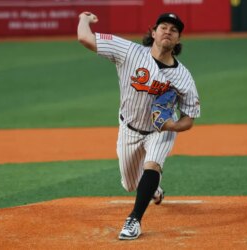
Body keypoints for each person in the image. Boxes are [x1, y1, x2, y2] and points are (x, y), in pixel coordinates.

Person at [77, 11, 200, 240]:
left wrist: (172, 126)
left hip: (159, 132)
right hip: (129, 129)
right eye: (163, 27)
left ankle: (134, 219)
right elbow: (86, 39)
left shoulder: (183, 78)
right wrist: (84, 19)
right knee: (130, 184)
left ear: (178, 40)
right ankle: (153, 189)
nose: (168, 31)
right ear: (153, 33)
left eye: (174, 30)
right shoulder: (129, 52)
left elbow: (189, 118)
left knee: (152, 166)